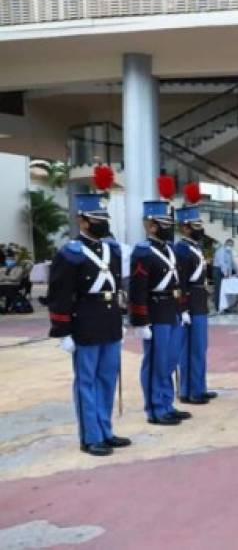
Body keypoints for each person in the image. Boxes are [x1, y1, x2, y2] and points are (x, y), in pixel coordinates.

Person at [47, 193, 131, 456]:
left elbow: (117, 288)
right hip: (84, 322)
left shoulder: (112, 250)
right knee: (87, 381)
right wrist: (63, 331)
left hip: (109, 322)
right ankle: (90, 437)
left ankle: (105, 431)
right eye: (96, 219)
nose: (102, 223)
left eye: (104, 219)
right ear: (81, 221)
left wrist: (122, 319)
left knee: (107, 379)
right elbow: (59, 295)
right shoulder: (70, 253)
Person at [128, 201, 191, 427]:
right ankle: (155, 408)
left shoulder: (170, 250)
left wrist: (183, 308)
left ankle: (167, 403)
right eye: (163, 224)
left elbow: (179, 282)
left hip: (172, 309)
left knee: (170, 360)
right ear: (152, 226)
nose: (168, 228)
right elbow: (138, 288)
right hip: (155, 311)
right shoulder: (143, 252)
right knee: (157, 361)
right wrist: (141, 320)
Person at [173, 205, 218, 406]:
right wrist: (182, 308)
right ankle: (187, 391)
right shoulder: (181, 250)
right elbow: (180, 282)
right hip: (190, 301)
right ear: (185, 228)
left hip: (199, 300)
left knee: (199, 347)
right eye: (195, 225)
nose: (200, 229)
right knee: (188, 348)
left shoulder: (194, 248)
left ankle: (199, 387)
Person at [212, 238, 236, 312]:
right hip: (218, 271)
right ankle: (218, 307)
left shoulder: (229, 251)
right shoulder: (220, 251)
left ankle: (225, 307)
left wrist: (237, 271)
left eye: (232, 245)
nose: (230, 246)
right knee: (219, 289)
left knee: (226, 290)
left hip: (226, 272)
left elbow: (232, 263)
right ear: (226, 244)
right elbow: (222, 263)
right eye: (229, 245)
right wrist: (225, 273)